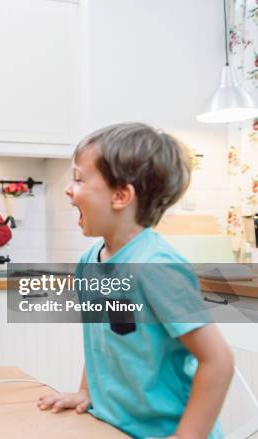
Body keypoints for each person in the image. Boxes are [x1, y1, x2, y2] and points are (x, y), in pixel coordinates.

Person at [37, 123, 234, 438]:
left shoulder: (156, 269)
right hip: (117, 428)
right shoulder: (90, 262)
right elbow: (105, 340)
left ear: (120, 196)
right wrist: (87, 392)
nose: (68, 189)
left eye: (78, 179)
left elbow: (218, 361)